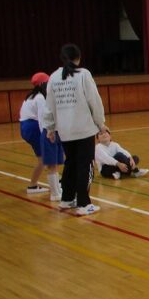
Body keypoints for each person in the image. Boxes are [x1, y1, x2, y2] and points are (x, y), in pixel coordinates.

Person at [42, 43, 107, 216]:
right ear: (78, 57)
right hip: (84, 128)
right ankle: (84, 203)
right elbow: (94, 100)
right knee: (84, 165)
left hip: (65, 130)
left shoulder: (53, 77)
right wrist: (100, 124)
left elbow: (49, 106)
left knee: (70, 163)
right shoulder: (83, 74)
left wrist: (50, 127)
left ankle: (67, 199)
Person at [19, 72, 63, 200]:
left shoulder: (31, 96)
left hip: (26, 126)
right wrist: (46, 133)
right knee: (47, 159)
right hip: (33, 127)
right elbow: (42, 118)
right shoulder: (40, 98)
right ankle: (55, 187)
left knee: (44, 160)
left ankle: (34, 186)